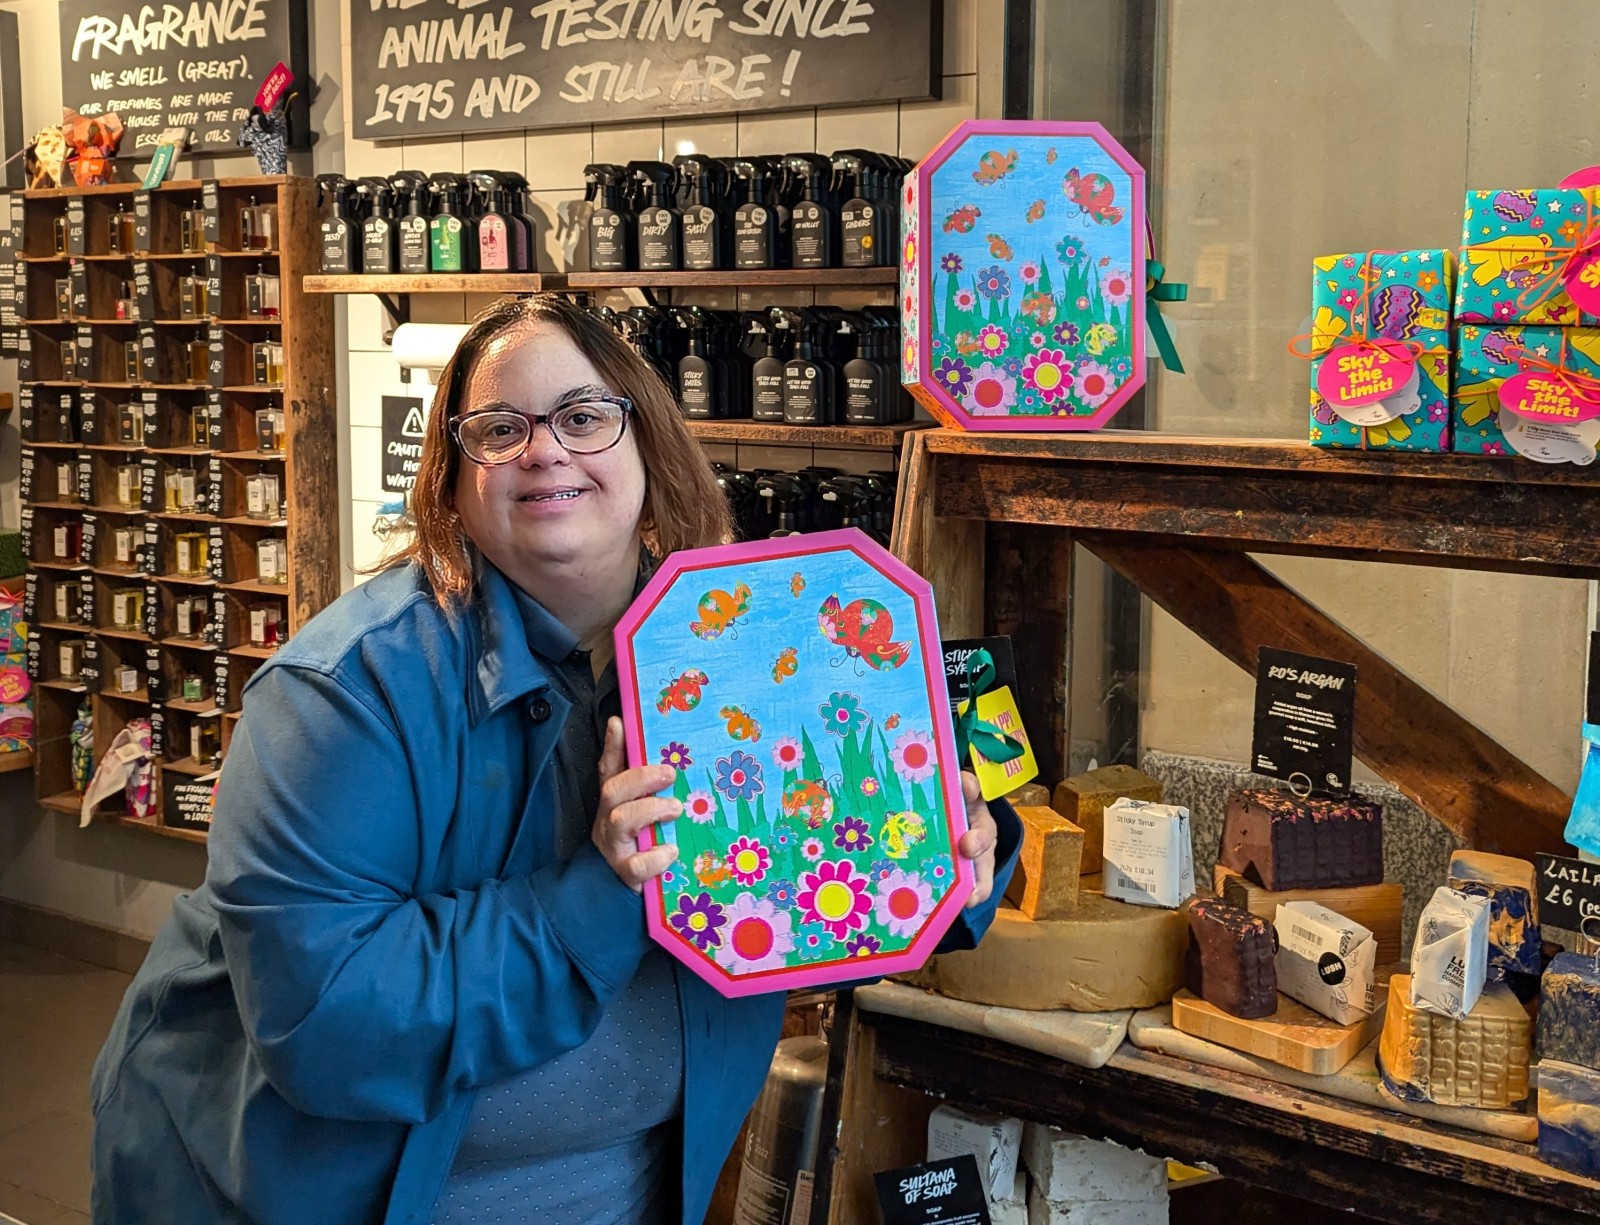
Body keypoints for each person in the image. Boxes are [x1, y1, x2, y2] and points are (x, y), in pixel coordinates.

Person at [90, 295, 1021, 1225]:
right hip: (317, 1194)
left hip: (620, 1189)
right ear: (451, 479)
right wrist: (601, 894)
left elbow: (816, 864)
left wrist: (949, 862)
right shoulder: (339, 694)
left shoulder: (754, 639)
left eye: (583, 416)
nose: (545, 449)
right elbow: (325, 1023)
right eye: (499, 429)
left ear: (646, 444)